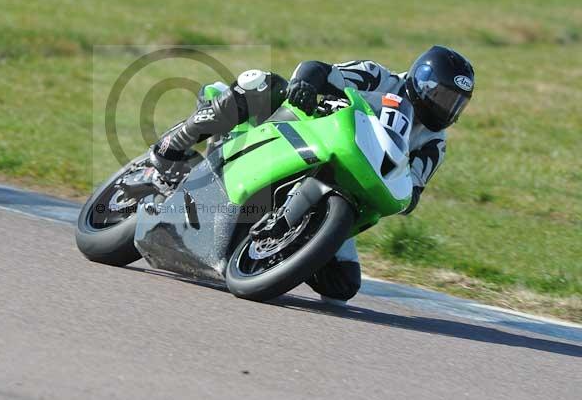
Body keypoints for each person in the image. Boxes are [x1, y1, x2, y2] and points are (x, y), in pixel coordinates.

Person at [150, 45, 475, 306]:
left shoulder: (434, 143)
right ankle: (171, 148)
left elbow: (413, 192)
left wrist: (399, 195)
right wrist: (306, 84)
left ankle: (281, 246)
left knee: (342, 285)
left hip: (347, 185)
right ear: (422, 82)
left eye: (456, 104)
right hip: (301, 134)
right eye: (443, 98)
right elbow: (319, 69)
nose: (447, 109)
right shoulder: (379, 77)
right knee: (263, 84)